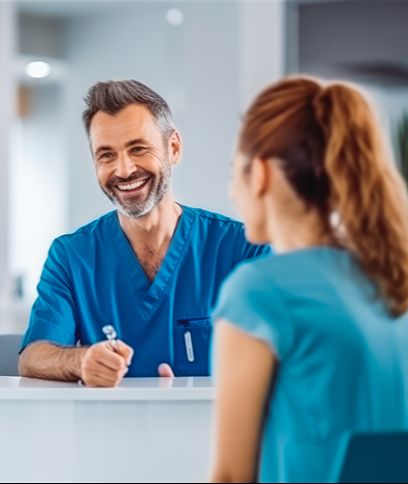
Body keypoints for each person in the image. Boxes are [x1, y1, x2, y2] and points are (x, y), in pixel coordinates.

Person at [208, 76, 408, 483]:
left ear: (261, 174)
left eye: (234, 170)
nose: (233, 191)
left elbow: (231, 476)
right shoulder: (389, 284)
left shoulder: (258, 292)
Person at [18, 79, 269, 387]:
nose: (123, 170)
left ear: (173, 148)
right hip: (106, 432)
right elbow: (33, 356)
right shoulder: (71, 257)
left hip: (212, 432)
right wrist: (80, 361)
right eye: (106, 155)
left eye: (138, 148)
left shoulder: (243, 250)